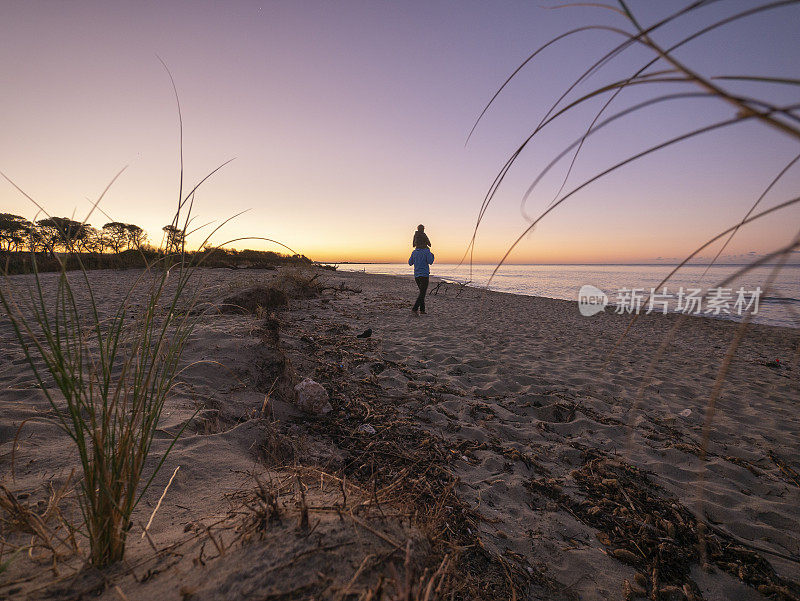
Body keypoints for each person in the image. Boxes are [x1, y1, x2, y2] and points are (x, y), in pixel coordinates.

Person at [408, 244, 434, 314]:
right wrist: (432, 255)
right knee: (422, 293)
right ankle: (415, 308)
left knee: (421, 293)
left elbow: (410, 263)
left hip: (417, 275)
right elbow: (430, 262)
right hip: (424, 275)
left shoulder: (414, 252)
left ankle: (422, 310)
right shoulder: (426, 251)